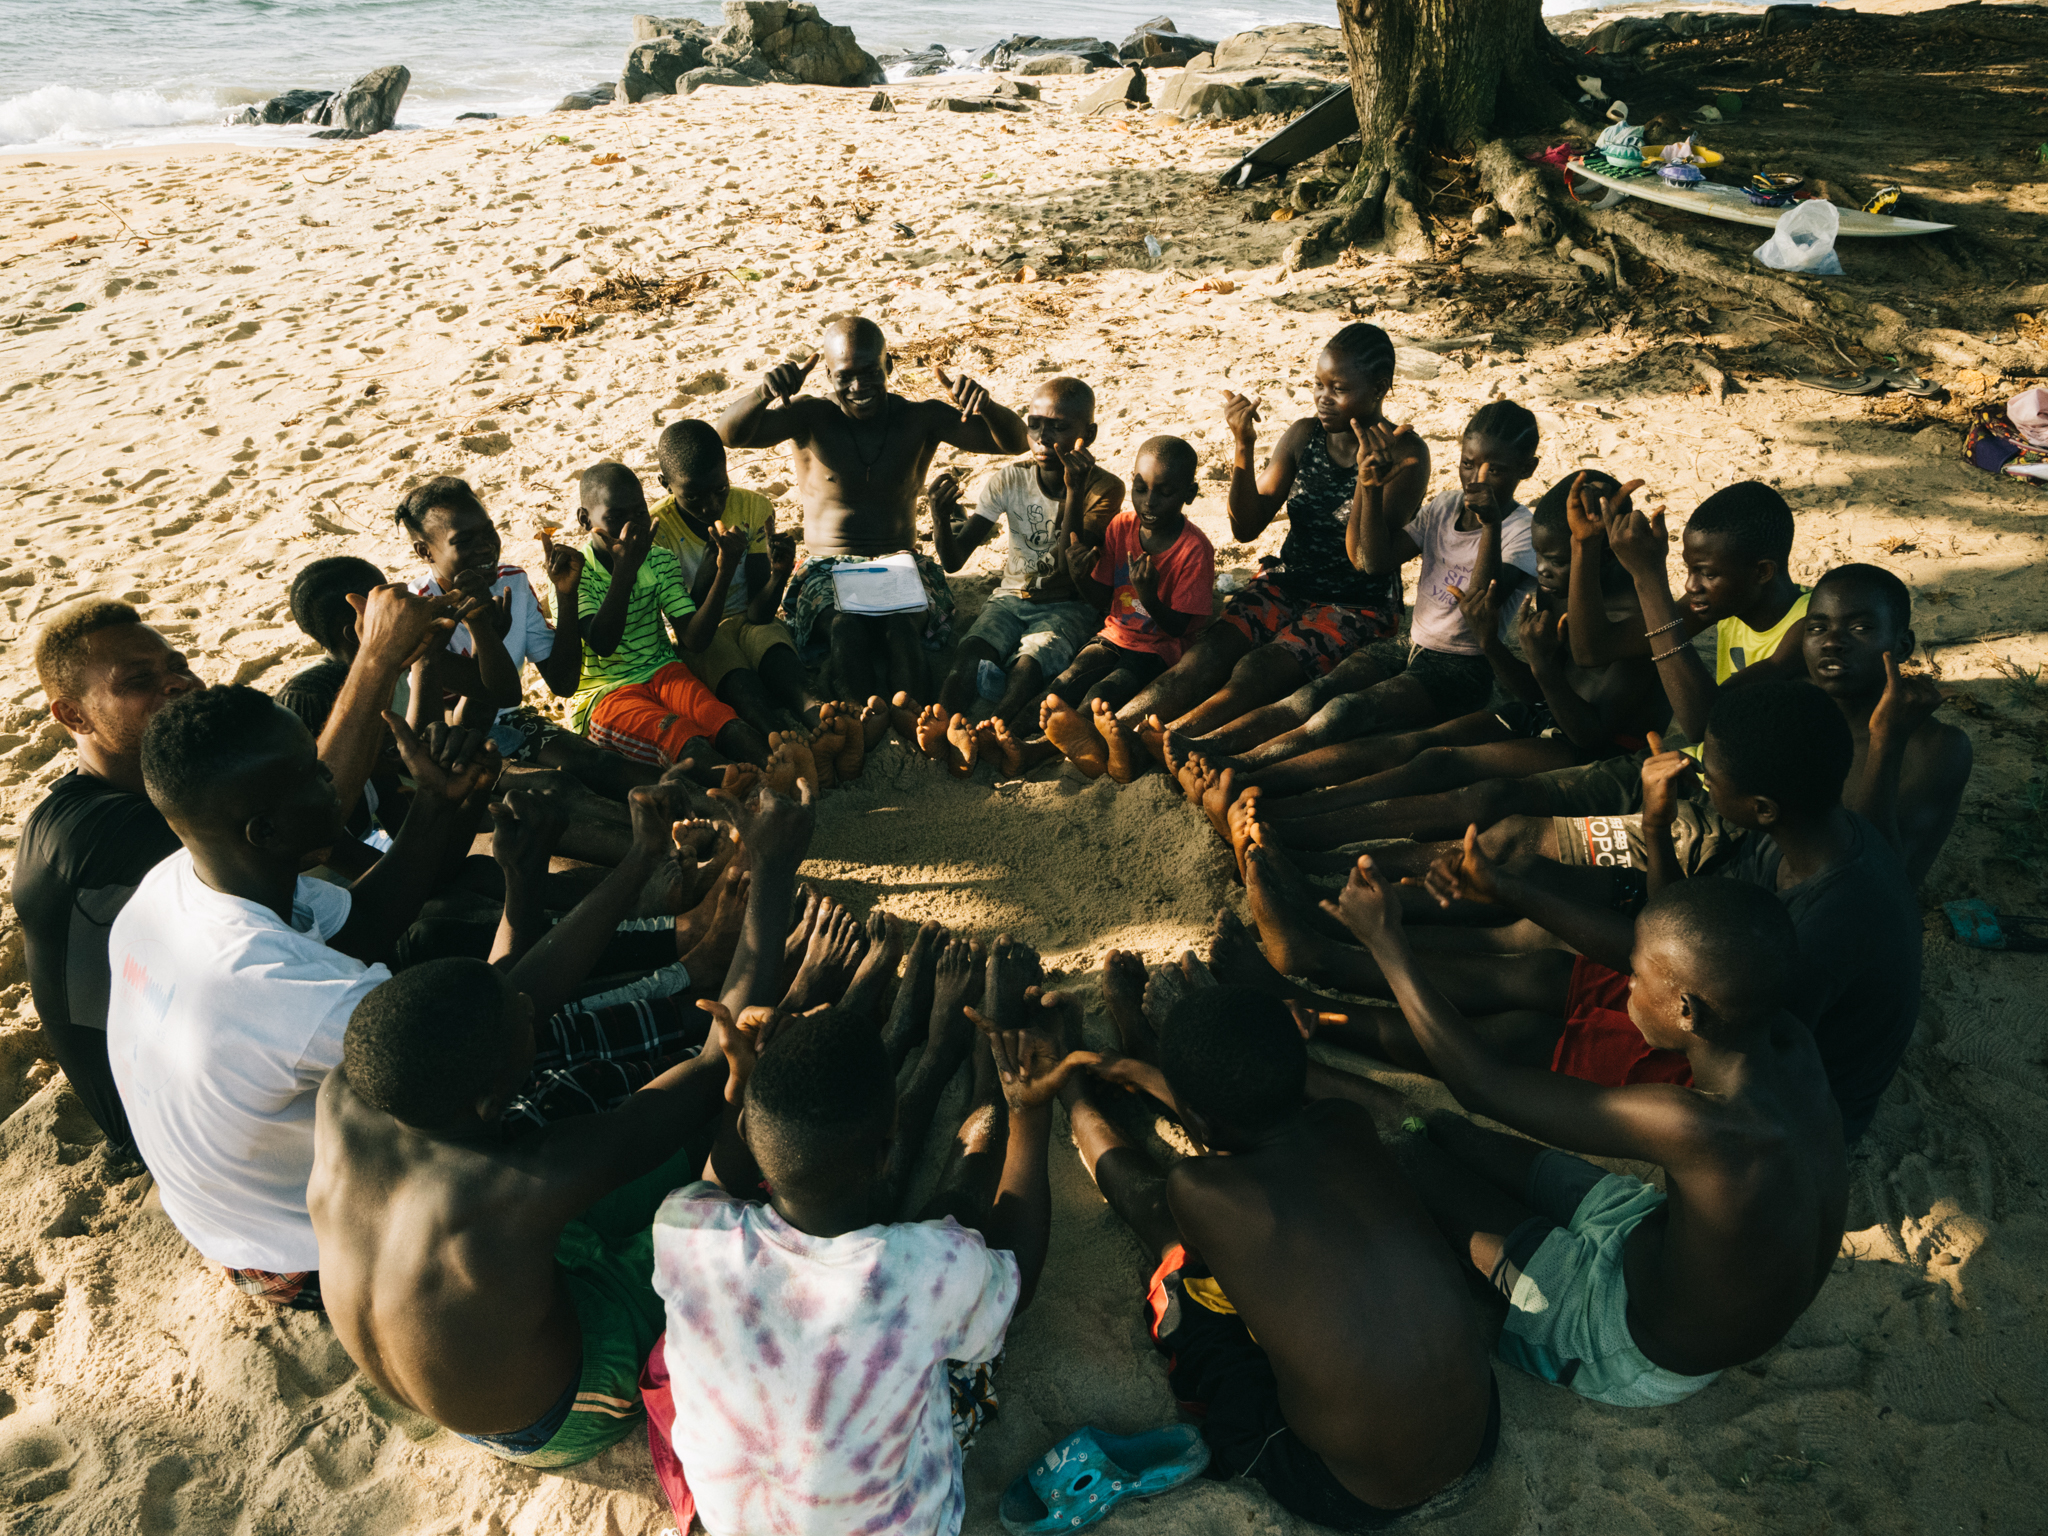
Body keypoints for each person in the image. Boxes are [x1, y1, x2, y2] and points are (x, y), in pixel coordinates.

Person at [307, 779, 816, 1469]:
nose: (532, 1012)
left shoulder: (350, 1090)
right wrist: (775, 872)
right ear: (489, 1098)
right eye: (524, 1029)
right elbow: (713, 1058)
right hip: (558, 1414)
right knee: (723, 1185)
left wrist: (635, 859)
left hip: (459, 1352)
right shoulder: (516, 1187)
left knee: (641, 1145)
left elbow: (516, 987)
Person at [1234, 680, 1923, 1144]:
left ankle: (1315, 995)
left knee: (1519, 1039)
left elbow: (1704, 1005)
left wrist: (1515, 890)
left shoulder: (1830, 920)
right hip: (1715, 1001)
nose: (1701, 782)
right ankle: (1325, 951)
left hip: (1772, 1086)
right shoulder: (1806, 835)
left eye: (1714, 779)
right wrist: (1653, 829)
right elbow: (1672, 935)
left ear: (1764, 806)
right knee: (1536, 974)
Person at [1323, 862, 1849, 1408]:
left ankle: (1309, 1071)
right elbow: (1645, 949)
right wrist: (1512, 887)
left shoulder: (1705, 1130)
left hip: (1624, 1345)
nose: (1628, 984)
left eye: (1638, 978)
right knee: (1451, 1134)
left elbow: (1483, 1084)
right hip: (1648, 1244)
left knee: (1406, 1153)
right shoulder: (1790, 1046)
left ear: (1686, 1011)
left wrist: (1386, 943)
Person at [648, 938, 1072, 1535]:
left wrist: (740, 1089)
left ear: (746, 1123)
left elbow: (722, 1181)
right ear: (887, 1145)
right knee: (951, 1228)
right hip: (906, 1519)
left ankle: (946, 1051)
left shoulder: (687, 1230)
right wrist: (1033, 1116)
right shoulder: (928, 1268)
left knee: (895, 1255)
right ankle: (991, 1088)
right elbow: (1017, 1276)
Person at [13, 589, 449, 1160]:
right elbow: (310, 815)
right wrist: (376, 659)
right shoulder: (87, 833)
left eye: (177, 666)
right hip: (174, 1127)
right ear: (72, 714)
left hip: (239, 1043)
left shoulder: (183, 790)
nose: (176, 684)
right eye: (137, 681)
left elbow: (318, 837)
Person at [1063, 978, 1500, 1527]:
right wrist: (1149, 1076)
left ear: (1196, 1118)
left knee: (1181, 1284)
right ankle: (1141, 1059)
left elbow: (1213, 1190)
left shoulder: (1197, 1190)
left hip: (1355, 1491)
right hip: (1479, 1435)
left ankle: (1074, 1098)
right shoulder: (1347, 1120)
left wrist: (1135, 1082)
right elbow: (1243, 1143)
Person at [1262, 476, 1815, 878]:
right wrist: (1580, 546)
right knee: (1435, 762)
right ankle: (1289, 821)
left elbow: (1701, 724)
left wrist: (1649, 575)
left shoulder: (1805, 631)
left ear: (1761, 572)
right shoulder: (1715, 605)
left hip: (1704, 792)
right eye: (1687, 571)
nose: (1690, 585)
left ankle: (1309, 856)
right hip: (1670, 767)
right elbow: (1591, 649)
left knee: (1492, 815)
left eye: (1704, 573)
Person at [1057, 325, 1428, 782]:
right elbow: (1246, 526)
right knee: (1210, 653)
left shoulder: (1406, 455)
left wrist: (1367, 486)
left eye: (1339, 389)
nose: (1322, 398)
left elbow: (1366, 560)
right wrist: (1243, 445)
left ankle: (1174, 740)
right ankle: (1113, 733)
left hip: (1354, 604)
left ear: (1379, 387)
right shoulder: (1304, 436)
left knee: (1258, 669)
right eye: (1318, 384)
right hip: (1288, 581)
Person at [1236, 470, 1662, 824]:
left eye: (1557, 560)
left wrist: (1543, 668)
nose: (1544, 571)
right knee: (1420, 745)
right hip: (1546, 714)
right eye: (1539, 557)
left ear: (1602, 552)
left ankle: (1295, 818)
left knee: (1443, 766)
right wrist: (1491, 642)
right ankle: (1252, 776)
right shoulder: (1559, 590)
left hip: (1597, 749)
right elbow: (1533, 695)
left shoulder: (1638, 614)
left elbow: (1589, 733)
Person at [1163, 400, 1547, 783]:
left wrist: (1491, 525)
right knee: (1318, 693)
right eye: (1468, 463)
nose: (1477, 478)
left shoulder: (1519, 532)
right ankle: (1206, 742)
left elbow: (1479, 608)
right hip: (1411, 644)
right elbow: (1374, 561)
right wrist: (1370, 488)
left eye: (1495, 470)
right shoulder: (1446, 506)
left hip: (1463, 668)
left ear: (1526, 470)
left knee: (1346, 710)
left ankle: (1244, 766)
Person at [715, 315, 1028, 702]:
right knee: (846, 630)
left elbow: (1016, 442)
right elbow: (729, 436)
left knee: (900, 630)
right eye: (845, 376)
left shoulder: (918, 418)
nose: (859, 387)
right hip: (828, 563)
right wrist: (762, 393)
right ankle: (861, 721)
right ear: (828, 375)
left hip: (898, 559)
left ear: (889, 366)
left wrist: (987, 405)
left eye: (870, 372)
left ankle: (913, 717)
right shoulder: (811, 416)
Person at [926, 375, 1124, 744]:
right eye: (1034, 424)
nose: (1042, 438)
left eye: (1060, 428)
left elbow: (1069, 567)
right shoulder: (1010, 479)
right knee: (970, 651)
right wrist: (939, 518)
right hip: (1010, 597)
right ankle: (944, 723)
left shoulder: (1103, 487)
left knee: (1030, 664)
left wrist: (1073, 489)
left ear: (1089, 434)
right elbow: (953, 561)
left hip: (1067, 604)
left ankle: (996, 728)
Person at [1021, 437, 1217, 779]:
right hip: (1114, 634)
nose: (1149, 502)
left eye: (1165, 492)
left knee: (1101, 693)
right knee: (1065, 681)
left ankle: (1045, 748)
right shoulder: (1121, 526)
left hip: (1158, 651)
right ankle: (1009, 733)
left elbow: (1179, 629)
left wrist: (1150, 596)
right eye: (1140, 489)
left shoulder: (1194, 550)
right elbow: (1103, 601)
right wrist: (1081, 576)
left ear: (1190, 493)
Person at [568, 461, 770, 772]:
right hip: (606, 694)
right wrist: (625, 572)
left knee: (723, 720)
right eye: (615, 518)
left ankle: (779, 767)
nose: (631, 528)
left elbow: (694, 638)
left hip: (664, 670)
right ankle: (741, 788)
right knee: (684, 739)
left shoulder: (659, 560)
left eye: (639, 512)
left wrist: (725, 570)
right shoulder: (575, 574)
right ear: (585, 519)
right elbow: (602, 643)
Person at [649, 419, 821, 734]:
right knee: (741, 686)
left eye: (720, 489)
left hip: (750, 620)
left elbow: (758, 613)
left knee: (780, 662)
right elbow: (691, 634)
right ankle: (780, 741)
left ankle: (821, 722)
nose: (711, 506)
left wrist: (779, 575)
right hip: (701, 634)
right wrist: (719, 570)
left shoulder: (752, 507)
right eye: (694, 498)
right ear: (666, 484)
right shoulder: (658, 532)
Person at [398, 475, 584, 736]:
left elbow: (563, 683)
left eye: (489, 532)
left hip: (509, 720)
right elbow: (468, 723)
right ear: (425, 552)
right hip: (449, 742)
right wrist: (484, 632)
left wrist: (565, 595)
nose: (486, 547)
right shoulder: (421, 610)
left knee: (599, 762)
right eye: (463, 541)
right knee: (555, 779)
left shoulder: (513, 583)